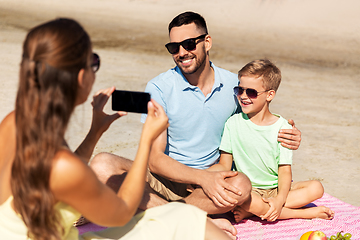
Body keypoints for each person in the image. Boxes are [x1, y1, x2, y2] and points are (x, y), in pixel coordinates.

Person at [0, 18, 233, 240]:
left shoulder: (15, 121)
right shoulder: (66, 168)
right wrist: (146, 140)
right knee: (189, 219)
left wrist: (95, 132)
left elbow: (58, 173)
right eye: (94, 61)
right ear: (81, 77)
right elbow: (120, 211)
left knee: (182, 216)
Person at [90, 11, 302, 239]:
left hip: (210, 183)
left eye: (189, 44)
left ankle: (164, 212)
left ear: (207, 42)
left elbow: (259, 118)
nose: (181, 53)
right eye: (174, 47)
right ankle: (190, 218)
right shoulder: (159, 87)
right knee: (102, 166)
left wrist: (290, 133)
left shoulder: (234, 85)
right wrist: (201, 178)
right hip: (164, 180)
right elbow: (154, 159)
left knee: (241, 184)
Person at [213, 59, 334, 222]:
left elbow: (284, 171)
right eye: (239, 90)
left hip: (277, 188)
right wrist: (199, 176)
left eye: (251, 92)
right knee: (240, 197)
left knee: (316, 188)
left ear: (270, 95)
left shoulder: (283, 128)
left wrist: (278, 200)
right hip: (248, 191)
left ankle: (256, 211)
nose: (243, 96)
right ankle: (303, 213)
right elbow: (224, 165)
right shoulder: (232, 124)